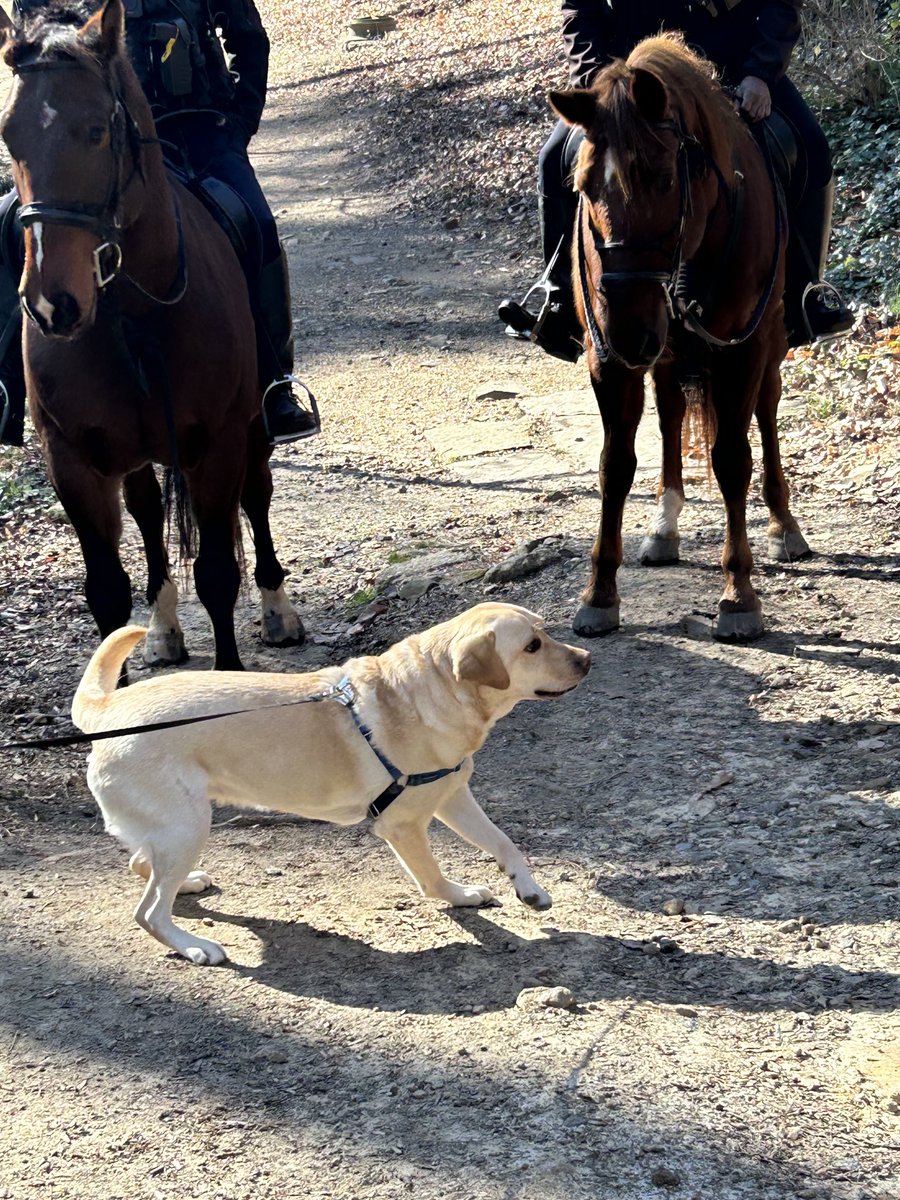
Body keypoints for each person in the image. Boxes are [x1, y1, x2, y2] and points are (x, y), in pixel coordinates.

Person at [0, 0, 319, 447]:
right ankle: (8, 387)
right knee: (6, 224)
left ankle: (274, 383)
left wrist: (238, 123)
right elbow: (32, 36)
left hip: (200, 131)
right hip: (93, 137)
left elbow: (248, 40)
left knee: (256, 221)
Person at [499, 0, 854, 362]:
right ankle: (559, 301)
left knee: (811, 145)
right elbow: (579, 8)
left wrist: (760, 73)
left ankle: (803, 295)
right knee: (553, 158)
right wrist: (597, 83)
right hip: (631, 72)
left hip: (729, 63)